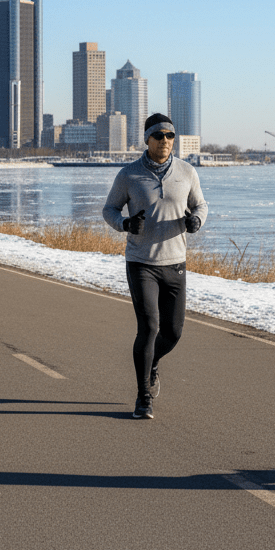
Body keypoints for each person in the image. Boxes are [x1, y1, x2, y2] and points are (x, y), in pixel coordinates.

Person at [102, 114, 208, 420]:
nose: (165, 141)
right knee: (149, 328)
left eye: (170, 135)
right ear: (147, 139)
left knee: (172, 333)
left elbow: (201, 205)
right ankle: (143, 397)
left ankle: (152, 363)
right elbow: (109, 209)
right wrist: (125, 223)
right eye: (159, 135)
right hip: (142, 263)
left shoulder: (187, 171)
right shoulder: (129, 175)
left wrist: (196, 220)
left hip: (175, 264)